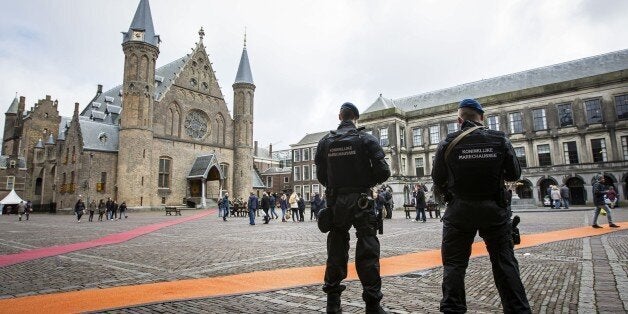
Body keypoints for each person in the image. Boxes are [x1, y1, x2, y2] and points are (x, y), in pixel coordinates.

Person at [431, 99, 530, 313]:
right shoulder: (499, 138)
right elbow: (514, 174)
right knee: (504, 263)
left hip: (459, 211)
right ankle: (518, 310)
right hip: (493, 209)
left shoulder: (448, 141)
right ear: (482, 117)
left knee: (454, 265)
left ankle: (453, 309)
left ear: (459, 120)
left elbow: (437, 178)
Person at [314, 102, 390, 313]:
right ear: (356, 118)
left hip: (336, 201)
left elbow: (321, 175)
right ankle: (373, 305)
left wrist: (336, 185)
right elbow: (384, 171)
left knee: (336, 249)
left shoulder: (325, 142)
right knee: (368, 249)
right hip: (361, 201)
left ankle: (332, 303)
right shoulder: (366, 139)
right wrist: (365, 182)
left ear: (340, 117)